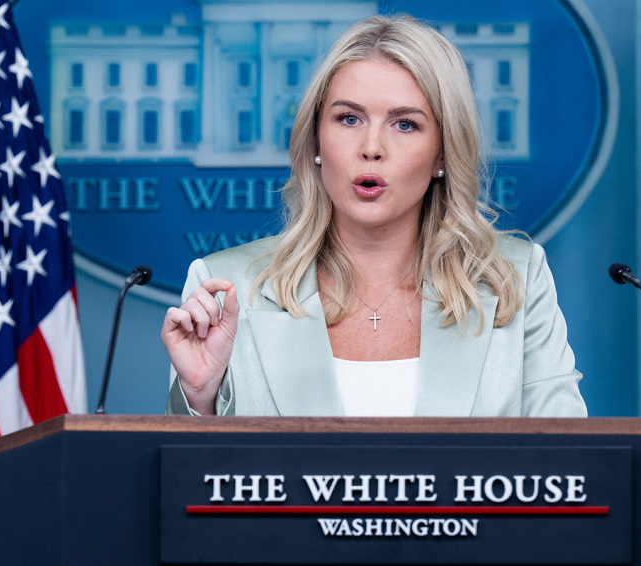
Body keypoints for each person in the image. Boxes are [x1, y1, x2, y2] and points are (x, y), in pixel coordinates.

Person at [162, 14, 587, 418]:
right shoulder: (223, 290)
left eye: (404, 125)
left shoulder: (517, 280)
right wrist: (199, 401)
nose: (371, 147)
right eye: (349, 118)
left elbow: (569, 467)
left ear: (442, 152)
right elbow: (191, 483)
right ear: (315, 140)